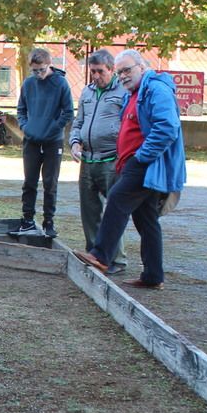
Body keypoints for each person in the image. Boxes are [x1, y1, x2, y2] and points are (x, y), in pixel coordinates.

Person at [79, 50, 186, 290]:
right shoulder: (135, 93)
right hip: (132, 161)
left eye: (127, 70)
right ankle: (152, 276)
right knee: (145, 219)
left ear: (142, 67)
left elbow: (167, 128)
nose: (123, 76)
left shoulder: (156, 90)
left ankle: (101, 255)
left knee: (117, 198)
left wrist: (140, 158)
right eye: (120, 72)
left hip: (144, 164)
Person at [69, 49, 128, 269]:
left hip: (111, 159)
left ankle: (116, 259)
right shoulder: (87, 92)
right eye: (92, 71)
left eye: (100, 71)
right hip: (88, 160)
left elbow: (127, 125)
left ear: (111, 70)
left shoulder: (123, 92)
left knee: (113, 211)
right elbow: (78, 123)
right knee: (89, 211)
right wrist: (75, 142)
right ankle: (94, 256)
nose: (95, 76)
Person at [11, 47, 73, 239]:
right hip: (31, 139)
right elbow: (21, 110)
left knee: (50, 182)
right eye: (34, 71)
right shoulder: (28, 84)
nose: (38, 74)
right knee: (29, 181)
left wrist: (54, 128)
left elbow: (68, 112)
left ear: (49, 65)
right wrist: (25, 127)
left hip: (53, 141)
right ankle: (28, 219)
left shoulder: (60, 84)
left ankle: (49, 221)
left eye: (42, 70)